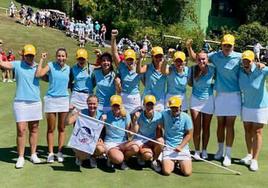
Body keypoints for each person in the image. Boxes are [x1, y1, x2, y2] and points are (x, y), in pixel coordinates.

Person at [186, 34, 241, 167]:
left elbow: (251, 62)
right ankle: (219, 151)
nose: (227, 47)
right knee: (220, 125)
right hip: (220, 95)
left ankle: (227, 154)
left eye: (229, 45)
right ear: (221, 45)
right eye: (225, 45)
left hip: (234, 94)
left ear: (233, 46)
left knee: (229, 125)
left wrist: (259, 63)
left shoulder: (240, 56)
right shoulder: (216, 56)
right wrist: (189, 47)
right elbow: (197, 57)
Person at [0, 44, 42, 168]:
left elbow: (47, 76)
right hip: (20, 102)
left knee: (34, 129)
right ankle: (21, 156)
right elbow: (3, 64)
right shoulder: (17, 64)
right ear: (23, 55)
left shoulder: (36, 67)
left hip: (35, 101)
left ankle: (33, 154)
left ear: (34, 56)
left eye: (31, 55)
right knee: (21, 130)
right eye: (27, 55)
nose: (29, 57)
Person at [35, 48, 70, 163]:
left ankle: (59, 152)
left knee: (61, 128)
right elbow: (39, 74)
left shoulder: (68, 68)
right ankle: (50, 153)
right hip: (51, 100)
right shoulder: (50, 65)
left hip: (64, 100)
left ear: (66, 57)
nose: (61, 58)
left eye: (63, 56)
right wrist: (41, 59)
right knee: (51, 128)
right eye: (59, 56)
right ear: (56, 57)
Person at [239, 50, 268, 171]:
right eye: (244, 59)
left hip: (260, 107)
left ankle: (255, 160)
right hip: (246, 106)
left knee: (257, 132)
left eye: (248, 60)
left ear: (253, 60)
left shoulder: (261, 70)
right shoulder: (240, 71)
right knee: (247, 131)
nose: (246, 62)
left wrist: (264, 65)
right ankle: (249, 154)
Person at [125, 95, 164, 172]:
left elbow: (160, 130)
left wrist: (160, 146)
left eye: (151, 104)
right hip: (140, 140)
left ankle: (154, 161)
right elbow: (133, 133)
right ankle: (140, 155)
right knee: (147, 156)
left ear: (154, 105)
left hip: (151, 139)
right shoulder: (138, 116)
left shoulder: (159, 116)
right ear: (144, 105)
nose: (149, 107)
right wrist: (135, 120)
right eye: (147, 104)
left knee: (161, 141)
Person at [65, 95, 106, 167]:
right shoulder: (81, 112)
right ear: (87, 103)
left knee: (101, 149)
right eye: (90, 103)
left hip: (93, 141)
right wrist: (70, 111)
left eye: (94, 104)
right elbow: (67, 123)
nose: (92, 106)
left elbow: (103, 129)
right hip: (80, 140)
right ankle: (79, 157)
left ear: (98, 104)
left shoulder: (101, 114)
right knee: (83, 156)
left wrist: (102, 138)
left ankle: (93, 157)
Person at [188, 51, 215, 160]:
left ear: (207, 60)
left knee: (206, 127)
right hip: (195, 100)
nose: (201, 61)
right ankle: (197, 151)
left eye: (204, 59)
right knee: (197, 128)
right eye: (199, 59)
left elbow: (218, 81)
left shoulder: (213, 69)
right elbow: (190, 83)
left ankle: (204, 150)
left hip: (208, 100)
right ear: (196, 60)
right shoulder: (193, 69)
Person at [111, 29, 142, 114]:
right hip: (123, 96)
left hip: (135, 98)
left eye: (131, 59)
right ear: (124, 60)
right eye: (128, 59)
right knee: (124, 120)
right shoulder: (122, 66)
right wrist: (113, 38)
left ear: (135, 59)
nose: (130, 61)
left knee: (135, 119)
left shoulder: (138, 68)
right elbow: (114, 53)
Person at [161, 96, 193, 176]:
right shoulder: (164, 114)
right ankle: (173, 162)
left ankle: (179, 162)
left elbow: (189, 134)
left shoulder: (186, 117)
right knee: (167, 172)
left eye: (176, 107)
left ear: (181, 107)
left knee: (187, 172)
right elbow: (154, 116)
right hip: (168, 146)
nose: (174, 109)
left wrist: (181, 146)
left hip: (182, 148)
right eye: (172, 107)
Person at [104, 95, 131, 170]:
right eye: (114, 106)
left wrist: (134, 122)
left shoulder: (126, 114)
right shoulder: (106, 115)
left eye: (117, 105)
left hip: (123, 142)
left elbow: (129, 131)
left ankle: (123, 159)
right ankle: (111, 158)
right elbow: (98, 129)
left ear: (121, 105)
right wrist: (103, 121)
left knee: (134, 148)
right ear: (111, 106)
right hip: (111, 143)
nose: (116, 107)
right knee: (118, 158)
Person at [137, 46, 166, 111]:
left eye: (160, 56)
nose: (158, 58)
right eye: (156, 56)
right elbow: (139, 71)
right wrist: (140, 58)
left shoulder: (165, 67)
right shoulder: (147, 66)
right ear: (152, 57)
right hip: (147, 98)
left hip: (160, 101)